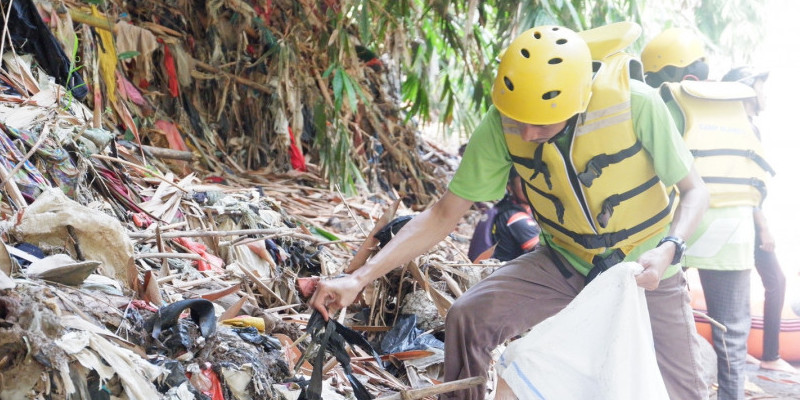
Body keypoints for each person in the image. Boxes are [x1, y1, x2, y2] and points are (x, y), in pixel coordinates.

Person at [312, 24, 710, 400]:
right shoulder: (503, 124)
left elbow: (695, 193)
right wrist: (358, 278)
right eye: (517, 120)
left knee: (682, 391)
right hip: (564, 260)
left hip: (649, 271)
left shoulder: (634, 103)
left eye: (540, 124)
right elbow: (442, 214)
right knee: (468, 317)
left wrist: (670, 248)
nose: (526, 135)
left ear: (578, 101)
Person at [642, 28, 774, 400]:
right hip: (734, 229)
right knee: (732, 333)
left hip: (678, 222)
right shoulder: (739, 105)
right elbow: (756, 173)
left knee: (659, 321)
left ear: (674, 79)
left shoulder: (667, 101)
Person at [722, 66, 793, 373]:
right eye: (762, 87)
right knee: (774, 280)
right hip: (742, 214)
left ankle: (750, 352)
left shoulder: (744, 125)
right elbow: (746, 180)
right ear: (748, 89)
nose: (765, 94)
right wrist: (763, 225)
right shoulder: (740, 127)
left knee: (740, 284)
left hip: (739, 213)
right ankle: (770, 356)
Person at [467, 167, 540, 262]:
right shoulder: (516, 218)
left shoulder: (503, 208)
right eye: (523, 183)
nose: (529, 188)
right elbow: (542, 250)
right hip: (505, 272)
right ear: (510, 187)